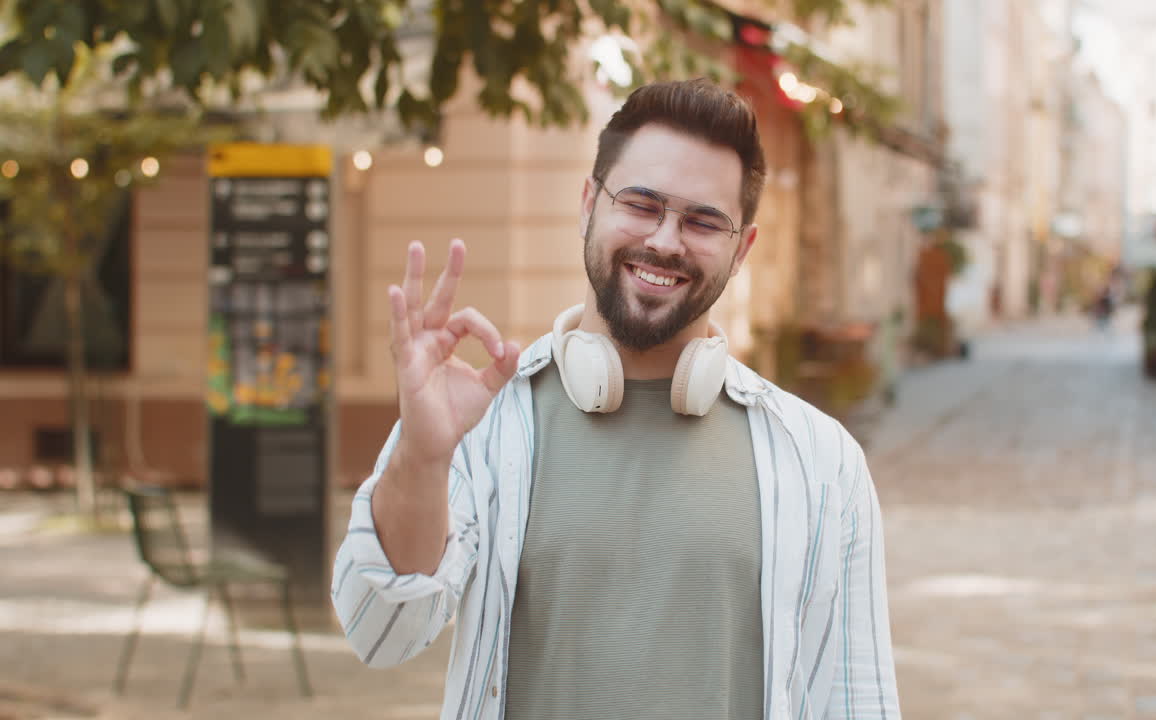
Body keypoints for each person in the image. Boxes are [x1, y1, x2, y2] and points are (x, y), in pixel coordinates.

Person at [332, 78, 901, 720]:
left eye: (703, 221)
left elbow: (856, 703)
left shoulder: (822, 462)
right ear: (587, 205)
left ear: (742, 249)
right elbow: (380, 631)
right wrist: (422, 456)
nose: (664, 240)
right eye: (641, 204)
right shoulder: (483, 420)